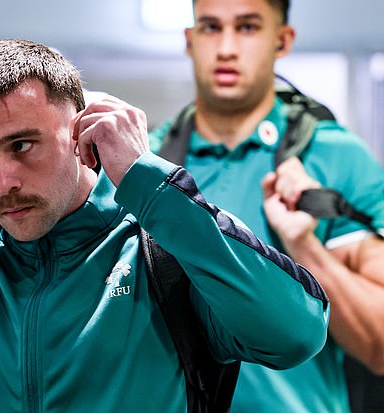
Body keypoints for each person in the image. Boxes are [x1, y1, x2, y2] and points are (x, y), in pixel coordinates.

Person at [0, 38, 328, 413]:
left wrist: (149, 182)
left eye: (22, 145)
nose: (2, 181)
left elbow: (295, 334)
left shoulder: (163, 248)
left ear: (82, 131)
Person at [150, 1, 384, 412]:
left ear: (282, 40)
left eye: (247, 27)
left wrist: (306, 247)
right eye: (210, 27)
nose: (226, 48)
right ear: (189, 40)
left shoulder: (337, 158)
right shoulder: (146, 166)